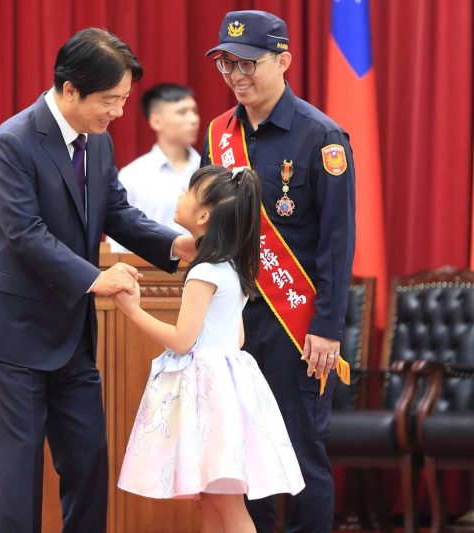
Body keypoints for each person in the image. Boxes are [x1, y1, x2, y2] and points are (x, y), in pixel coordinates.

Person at [0, 28, 195, 533]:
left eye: (124, 99)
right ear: (70, 89)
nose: (118, 112)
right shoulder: (14, 141)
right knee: (18, 480)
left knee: (89, 464)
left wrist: (174, 245)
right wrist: (95, 279)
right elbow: (26, 234)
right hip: (14, 336)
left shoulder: (99, 142)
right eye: (110, 100)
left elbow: (116, 212)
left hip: (71, 338)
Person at [201, 10, 356, 532]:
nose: (236, 75)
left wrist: (327, 327)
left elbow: (337, 241)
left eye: (248, 63)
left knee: (301, 452)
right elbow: (212, 225)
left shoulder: (321, 137)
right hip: (234, 324)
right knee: (244, 456)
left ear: (283, 61)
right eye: (226, 64)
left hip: (298, 324)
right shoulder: (219, 135)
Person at [114, 165, 304, 532]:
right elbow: (237, 339)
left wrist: (133, 311)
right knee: (212, 498)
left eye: (188, 191)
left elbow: (182, 341)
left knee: (225, 503)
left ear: (203, 216)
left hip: (208, 396)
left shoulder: (203, 272)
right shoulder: (232, 267)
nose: (180, 196)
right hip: (226, 392)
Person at [108, 83, 201, 252]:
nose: (193, 120)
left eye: (194, 111)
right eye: (182, 112)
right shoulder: (133, 175)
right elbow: (118, 239)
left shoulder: (208, 167)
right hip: (147, 267)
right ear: (156, 121)